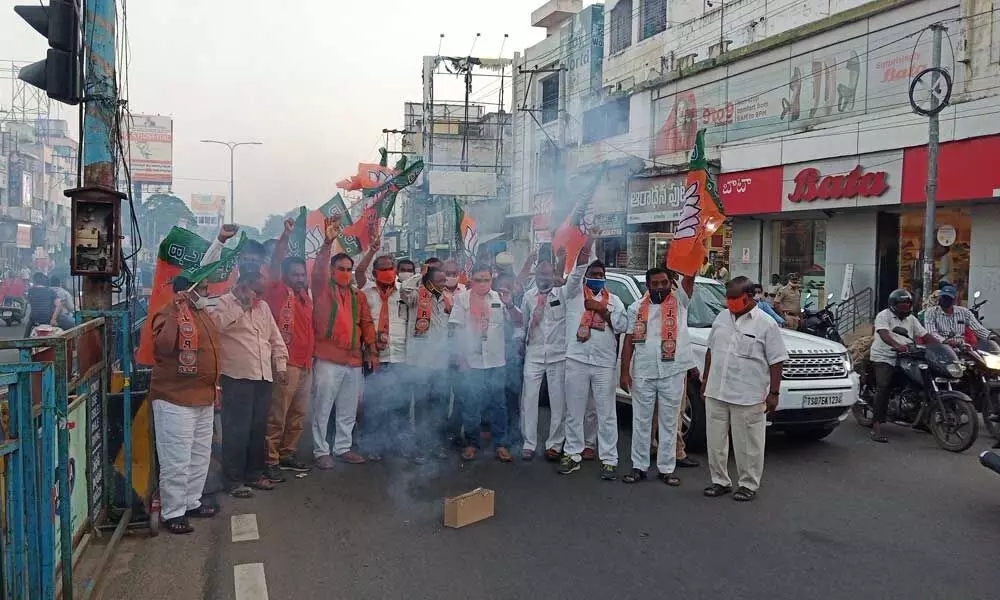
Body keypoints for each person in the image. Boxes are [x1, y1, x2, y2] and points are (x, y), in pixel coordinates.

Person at [702, 276, 788, 502]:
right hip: (717, 390)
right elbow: (712, 350)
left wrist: (774, 393)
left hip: (747, 394)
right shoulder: (721, 318)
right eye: (727, 297)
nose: (730, 302)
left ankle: (748, 484)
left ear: (750, 296)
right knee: (716, 441)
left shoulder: (765, 323)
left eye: (734, 298)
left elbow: (777, 360)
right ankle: (719, 481)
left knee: (748, 443)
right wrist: (705, 380)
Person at [147, 275, 221, 534]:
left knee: (199, 456)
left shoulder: (201, 313)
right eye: (200, 289)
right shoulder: (166, 313)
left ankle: (191, 502)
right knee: (176, 459)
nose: (205, 293)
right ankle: (173, 512)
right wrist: (177, 310)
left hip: (204, 396)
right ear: (184, 292)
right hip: (175, 398)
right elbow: (163, 348)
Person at [206, 269, 289, 498]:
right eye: (255, 291)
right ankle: (233, 480)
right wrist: (241, 306)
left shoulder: (263, 307)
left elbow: (275, 339)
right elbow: (216, 328)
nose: (257, 297)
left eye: (259, 293)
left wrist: (281, 366)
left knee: (258, 428)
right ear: (243, 286)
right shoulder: (223, 303)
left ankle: (254, 474)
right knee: (236, 430)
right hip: (237, 377)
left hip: (263, 377)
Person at [620, 268, 696, 486]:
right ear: (648, 285)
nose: (661, 287)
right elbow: (629, 341)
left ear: (670, 283)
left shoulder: (679, 302)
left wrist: (690, 253)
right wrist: (624, 372)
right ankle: (639, 467)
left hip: (672, 373)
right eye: (656, 283)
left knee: (670, 422)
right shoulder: (636, 308)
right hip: (644, 373)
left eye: (664, 282)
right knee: (641, 422)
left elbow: (689, 279)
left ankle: (666, 469)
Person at [311, 217, 377, 468]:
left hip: (353, 359)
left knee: (348, 408)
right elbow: (317, 269)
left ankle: (342, 447)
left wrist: (371, 350)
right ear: (331, 271)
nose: (346, 273)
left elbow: (366, 323)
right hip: (328, 357)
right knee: (323, 405)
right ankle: (320, 450)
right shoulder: (321, 289)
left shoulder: (357, 295)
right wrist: (327, 242)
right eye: (341, 269)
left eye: (349, 269)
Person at [560, 238, 628, 479]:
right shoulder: (573, 295)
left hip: (603, 364)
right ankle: (573, 453)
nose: (597, 277)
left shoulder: (615, 302)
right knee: (574, 411)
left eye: (600, 274)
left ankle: (609, 458)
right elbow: (576, 271)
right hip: (577, 360)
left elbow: (621, 327)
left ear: (605, 276)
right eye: (593, 273)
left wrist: (601, 309)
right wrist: (585, 247)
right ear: (586, 275)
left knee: (606, 413)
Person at [261, 219, 315, 482]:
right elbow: (275, 263)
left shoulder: (306, 297)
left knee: (298, 414)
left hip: (306, 364)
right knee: (277, 414)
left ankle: (287, 453)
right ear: (284, 277)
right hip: (286, 364)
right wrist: (285, 236)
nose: (300, 278)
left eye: (303, 275)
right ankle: (270, 459)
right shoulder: (277, 291)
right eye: (295, 275)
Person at [449, 263, 516, 462]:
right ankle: (472, 444)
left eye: (486, 279)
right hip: (472, 361)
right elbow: (456, 331)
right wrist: (461, 358)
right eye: (478, 280)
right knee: (472, 404)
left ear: (491, 280)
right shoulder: (462, 300)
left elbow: (512, 327)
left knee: (499, 404)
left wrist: (509, 304)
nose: (482, 283)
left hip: (496, 360)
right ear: (471, 280)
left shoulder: (499, 298)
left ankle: (501, 444)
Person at [359, 254, 412, 462]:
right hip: (374, 357)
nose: (389, 271)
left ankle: (398, 443)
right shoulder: (365, 294)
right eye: (383, 268)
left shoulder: (406, 293)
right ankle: (374, 445)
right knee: (374, 402)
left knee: (400, 403)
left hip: (400, 356)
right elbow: (362, 323)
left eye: (391, 268)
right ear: (374, 273)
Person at [868, 289, 938, 444]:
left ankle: (921, 419)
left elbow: (924, 335)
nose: (905, 307)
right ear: (893, 305)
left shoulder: (911, 319)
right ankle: (876, 426)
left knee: (922, 382)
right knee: (884, 386)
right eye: (902, 305)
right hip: (885, 356)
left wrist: (941, 347)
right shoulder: (883, 316)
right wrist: (896, 345)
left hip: (907, 356)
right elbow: (884, 334)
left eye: (907, 304)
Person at [519, 259, 569, 462]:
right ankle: (528, 444)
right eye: (540, 274)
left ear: (553, 275)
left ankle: (555, 445)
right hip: (534, 353)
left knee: (558, 402)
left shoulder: (563, 295)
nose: (543, 278)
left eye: (547, 274)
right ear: (536, 275)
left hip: (558, 355)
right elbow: (523, 324)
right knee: (529, 399)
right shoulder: (529, 296)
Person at [402, 266, 452, 460]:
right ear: (428, 281)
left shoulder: (444, 299)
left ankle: (434, 444)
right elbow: (404, 289)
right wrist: (420, 276)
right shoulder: (416, 296)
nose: (443, 284)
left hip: (440, 362)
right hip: (420, 363)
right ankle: (421, 447)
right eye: (438, 281)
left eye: (443, 281)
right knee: (421, 408)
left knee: (437, 406)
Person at [923, 284, 995, 345]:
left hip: (962, 349)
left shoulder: (964, 312)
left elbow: (978, 329)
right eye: (944, 297)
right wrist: (945, 341)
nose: (945, 300)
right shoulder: (930, 312)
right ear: (940, 298)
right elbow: (931, 333)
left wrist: (991, 336)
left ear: (954, 300)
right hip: (941, 349)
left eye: (948, 298)